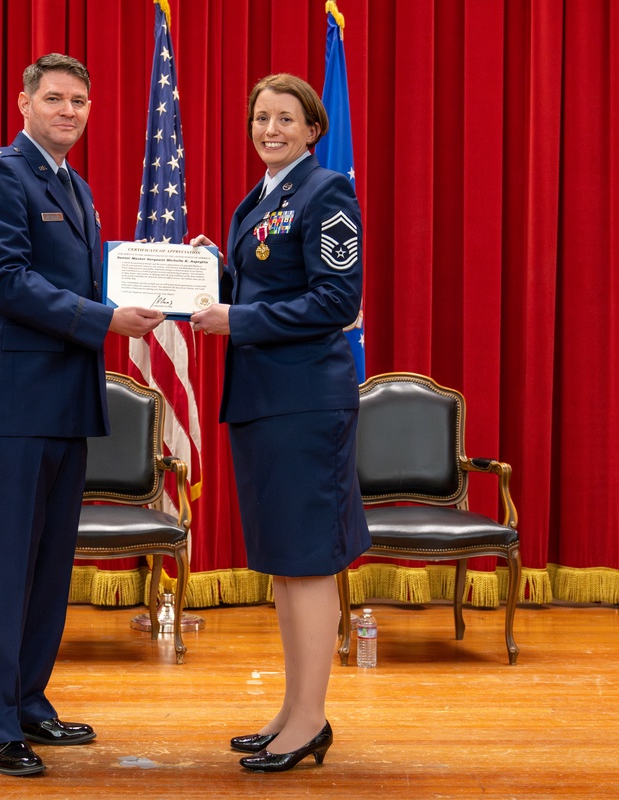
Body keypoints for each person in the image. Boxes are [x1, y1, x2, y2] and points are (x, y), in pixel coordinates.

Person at [0, 53, 164, 778]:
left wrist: (169, 272)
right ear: (23, 103)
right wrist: (109, 319)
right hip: (12, 404)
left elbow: (88, 277)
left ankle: (28, 702)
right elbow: (7, 282)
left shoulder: (74, 186)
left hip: (64, 404)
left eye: (79, 100)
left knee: (48, 568)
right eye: (54, 98)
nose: (68, 111)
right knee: (9, 566)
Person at [190, 73, 371, 773]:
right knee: (285, 565)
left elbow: (334, 299)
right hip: (264, 399)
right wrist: (215, 274)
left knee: (308, 562)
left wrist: (235, 316)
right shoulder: (256, 200)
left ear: (312, 129)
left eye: (285, 118)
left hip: (306, 401)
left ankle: (312, 719)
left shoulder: (328, 193)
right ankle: (294, 712)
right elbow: (265, 285)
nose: (270, 129)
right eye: (261, 117)